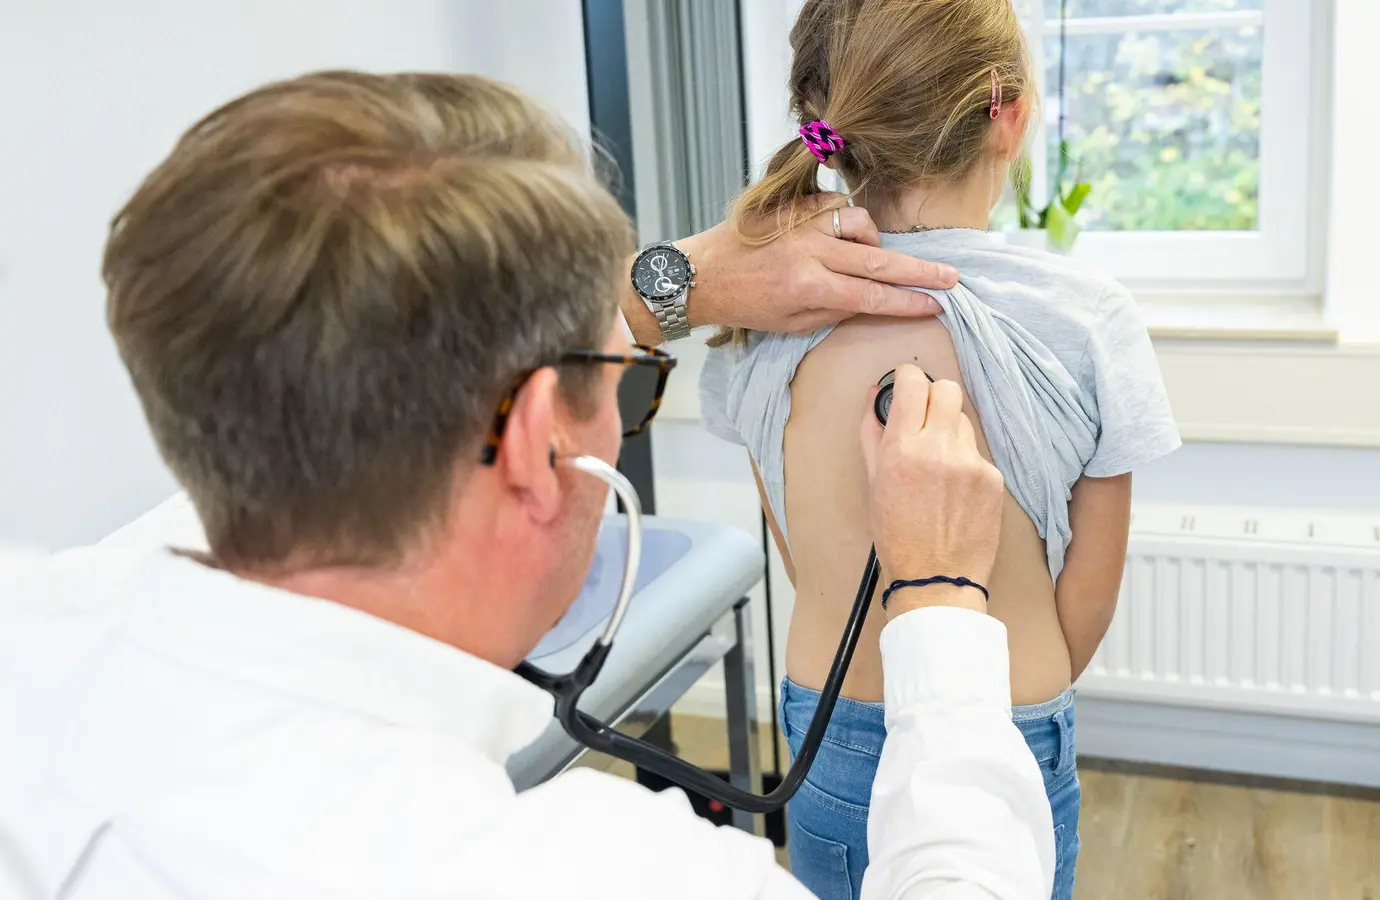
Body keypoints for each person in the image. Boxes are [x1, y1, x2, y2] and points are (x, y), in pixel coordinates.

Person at [0, 71, 1059, 899]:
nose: (630, 377)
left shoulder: (40, 619)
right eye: (620, 372)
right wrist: (937, 599)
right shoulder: (608, 877)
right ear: (532, 446)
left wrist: (670, 288)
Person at [697, 1, 1182, 896]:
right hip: (1006, 713)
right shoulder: (1081, 317)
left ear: (830, 126)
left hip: (826, 726)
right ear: (1008, 112)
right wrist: (1028, 687)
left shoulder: (766, 316)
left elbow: (796, 540)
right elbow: (1090, 586)